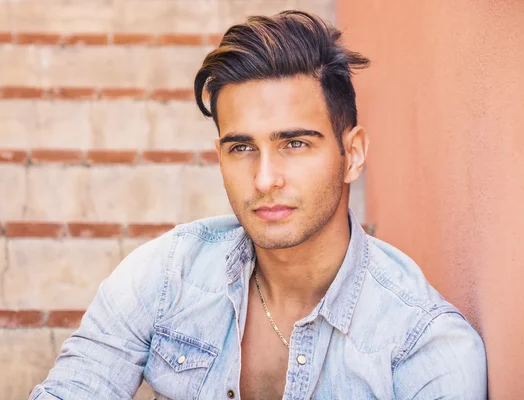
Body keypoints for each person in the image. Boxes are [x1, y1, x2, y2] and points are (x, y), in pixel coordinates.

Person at [30, 10, 487, 400]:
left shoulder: (422, 346)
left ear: (354, 154)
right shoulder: (167, 275)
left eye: (294, 143)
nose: (265, 180)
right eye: (242, 148)